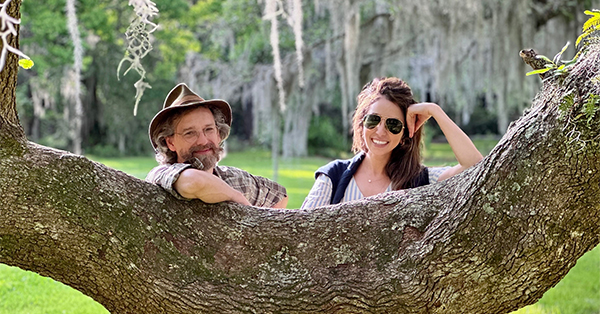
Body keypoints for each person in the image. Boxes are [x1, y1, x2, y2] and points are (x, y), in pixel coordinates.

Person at [301, 77, 483, 209]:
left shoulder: (421, 180)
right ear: (361, 123)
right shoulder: (333, 176)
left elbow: (475, 166)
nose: (381, 131)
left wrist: (434, 110)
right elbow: (300, 232)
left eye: (393, 124)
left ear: (405, 134)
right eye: (373, 120)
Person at [146, 83, 288, 208]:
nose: (202, 140)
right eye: (190, 133)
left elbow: (279, 196)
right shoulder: (160, 176)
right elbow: (195, 182)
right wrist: (241, 202)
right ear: (170, 143)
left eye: (209, 130)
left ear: (219, 134)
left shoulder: (235, 179)